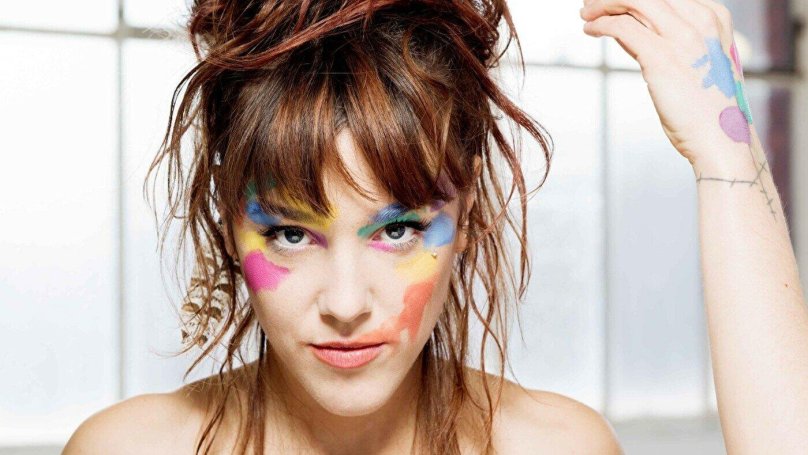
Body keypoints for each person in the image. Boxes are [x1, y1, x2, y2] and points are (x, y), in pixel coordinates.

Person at [64, 0, 808, 453]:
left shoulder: (554, 447)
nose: (346, 302)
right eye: (291, 233)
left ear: (468, 212)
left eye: (397, 230)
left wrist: (725, 150)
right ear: (230, 225)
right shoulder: (128, 449)